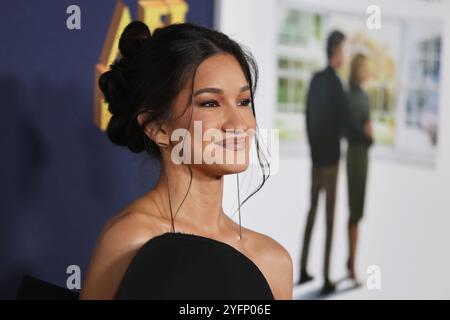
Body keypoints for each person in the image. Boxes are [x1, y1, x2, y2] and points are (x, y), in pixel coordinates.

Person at [79, 21, 293, 300]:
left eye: (244, 101)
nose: (239, 123)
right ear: (158, 128)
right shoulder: (130, 239)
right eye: (210, 103)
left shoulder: (272, 262)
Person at [298, 30, 347, 294]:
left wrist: (313, 147)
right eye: (343, 50)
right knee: (329, 218)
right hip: (331, 161)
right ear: (336, 52)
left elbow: (308, 116)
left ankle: (303, 268)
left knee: (311, 212)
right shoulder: (337, 84)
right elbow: (342, 122)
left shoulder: (315, 80)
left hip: (316, 158)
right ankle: (327, 277)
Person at [345, 53, 373, 285]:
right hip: (358, 156)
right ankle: (352, 265)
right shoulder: (359, 97)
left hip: (357, 155)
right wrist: (366, 135)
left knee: (356, 211)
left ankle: (350, 260)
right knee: (356, 211)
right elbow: (366, 131)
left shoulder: (353, 96)